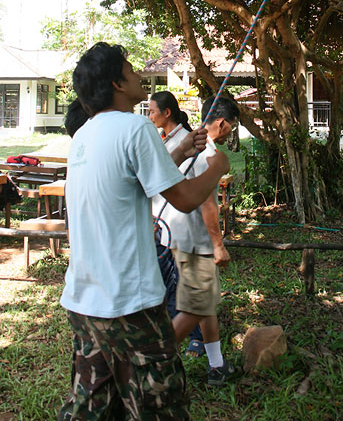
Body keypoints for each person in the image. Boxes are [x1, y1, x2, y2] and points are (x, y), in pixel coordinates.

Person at [59, 42, 229, 421]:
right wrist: (217, 168)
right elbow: (184, 198)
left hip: (84, 302)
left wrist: (183, 151)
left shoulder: (85, 135)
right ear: (117, 84)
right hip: (128, 305)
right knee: (160, 406)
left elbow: (134, 181)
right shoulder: (136, 126)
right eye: (131, 69)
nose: (139, 76)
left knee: (93, 408)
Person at [161, 95, 240, 386]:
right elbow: (208, 203)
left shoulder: (186, 144)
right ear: (221, 122)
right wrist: (218, 245)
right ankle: (156, 363)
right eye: (232, 125)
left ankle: (217, 365)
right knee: (196, 306)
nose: (232, 131)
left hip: (170, 235)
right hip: (193, 239)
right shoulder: (206, 154)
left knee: (204, 304)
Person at [149, 91, 205, 358]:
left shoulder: (187, 140)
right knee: (168, 283)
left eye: (152, 111)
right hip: (161, 222)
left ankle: (197, 339)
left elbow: (197, 186)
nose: (150, 116)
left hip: (182, 222)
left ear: (166, 113)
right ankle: (174, 333)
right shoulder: (161, 140)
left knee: (186, 282)